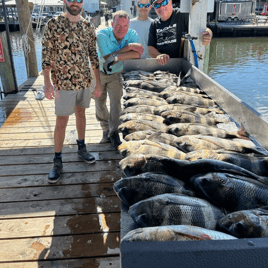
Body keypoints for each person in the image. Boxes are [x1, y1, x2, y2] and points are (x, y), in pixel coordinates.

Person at [42, 0, 102, 184]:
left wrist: (97, 82)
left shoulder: (87, 25)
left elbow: (93, 55)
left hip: (84, 80)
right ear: (65, 1)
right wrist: (47, 83)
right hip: (62, 83)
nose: (75, 3)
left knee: (81, 113)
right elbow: (46, 55)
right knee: (61, 120)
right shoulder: (53, 24)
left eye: (79, 0)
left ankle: (82, 148)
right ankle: (57, 160)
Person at [96, 10, 144, 150]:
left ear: (128, 26)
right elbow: (106, 58)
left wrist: (115, 57)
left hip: (117, 73)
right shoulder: (102, 34)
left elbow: (138, 54)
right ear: (112, 23)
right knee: (100, 103)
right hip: (99, 72)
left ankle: (113, 132)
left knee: (116, 103)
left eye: (125, 26)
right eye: (118, 25)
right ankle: (105, 127)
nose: (121, 29)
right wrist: (128, 48)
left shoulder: (132, 34)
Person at [148, 0, 213, 66]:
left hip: (182, 65)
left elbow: (204, 29)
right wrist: (159, 56)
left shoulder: (182, 14)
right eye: (157, 5)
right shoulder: (154, 24)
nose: (161, 7)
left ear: (170, 2)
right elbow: (150, 48)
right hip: (162, 65)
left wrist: (208, 34)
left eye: (164, 3)